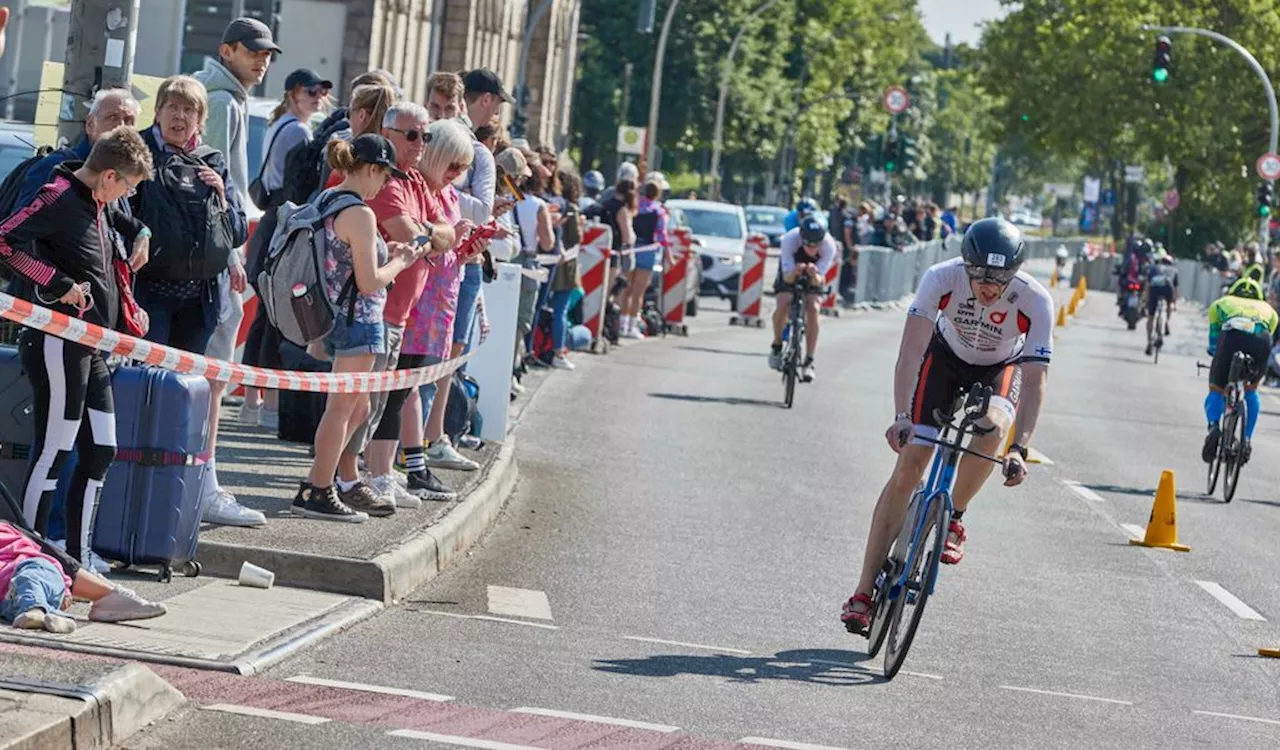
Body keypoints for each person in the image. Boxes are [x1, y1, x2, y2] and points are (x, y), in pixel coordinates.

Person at [840, 218, 1053, 634]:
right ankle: (863, 593)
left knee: (992, 428)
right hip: (943, 358)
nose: (989, 288)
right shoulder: (941, 278)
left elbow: (1035, 380)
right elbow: (910, 352)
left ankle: (954, 514)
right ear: (965, 265)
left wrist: (1020, 448)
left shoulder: (1034, 299)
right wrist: (902, 416)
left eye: (1000, 279)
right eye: (979, 276)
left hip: (999, 367)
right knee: (910, 464)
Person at [0, 128, 154, 569]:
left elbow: (106, 260)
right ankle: (30, 555)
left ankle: (78, 555)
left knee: (101, 448)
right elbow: (4, 239)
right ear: (109, 176)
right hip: (57, 340)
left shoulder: (99, 205)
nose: (128, 193)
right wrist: (57, 284)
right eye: (128, 185)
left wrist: (128, 304)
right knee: (54, 449)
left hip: (93, 345)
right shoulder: (58, 195)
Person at [131, 75, 253, 526]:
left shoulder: (212, 161)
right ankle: (134, 490)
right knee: (148, 394)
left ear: (201, 119)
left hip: (197, 302)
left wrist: (220, 194)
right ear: (159, 110)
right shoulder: (140, 151)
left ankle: (179, 496)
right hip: (149, 299)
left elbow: (237, 229)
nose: (180, 117)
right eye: (173, 107)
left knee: (188, 397)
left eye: (190, 110)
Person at [294, 135, 424, 521]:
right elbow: (369, 281)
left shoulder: (327, 199)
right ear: (370, 169)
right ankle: (317, 488)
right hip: (360, 319)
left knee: (359, 405)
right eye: (384, 176)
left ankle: (337, 480)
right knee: (343, 407)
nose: (384, 185)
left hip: (335, 315)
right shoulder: (361, 213)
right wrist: (402, 260)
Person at [194, 17, 279, 528]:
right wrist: (231, 256)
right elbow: (219, 183)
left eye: (268, 52)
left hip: (209, 250)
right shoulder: (223, 101)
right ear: (227, 50)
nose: (262, 60)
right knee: (214, 374)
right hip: (218, 249)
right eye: (253, 51)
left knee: (207, 374)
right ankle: (205, 485)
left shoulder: (222, 95)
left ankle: (199, 482)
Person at [360, 107, 462, 504]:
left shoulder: (417, 180)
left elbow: (445, 233)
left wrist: (432, 235)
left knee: (388, 396)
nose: (421, 145)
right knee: (364, 400)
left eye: (426, 137)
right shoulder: (388, 182)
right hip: (376, 306)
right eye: (413, 136)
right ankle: (362, 475)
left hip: (402, 309)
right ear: (387, 133)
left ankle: (374, 472)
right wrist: (430, 236)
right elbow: (409, 233)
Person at [241, 68, 333, 431]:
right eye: (310, 91)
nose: (317, 97)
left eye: (321, 92)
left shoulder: (278, 121)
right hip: (285, 221)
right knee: (275, 319)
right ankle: (264, 404)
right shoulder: (296, 129)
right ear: (293, 93)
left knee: (267, 316)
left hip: (272, 220)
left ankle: (253, 401)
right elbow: (297, 180)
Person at [399, 120, 480, 475]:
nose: (457, 174)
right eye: (453, 165)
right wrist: (449, 241)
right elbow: (421, 244)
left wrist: (464, 248)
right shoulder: (420, 191)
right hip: (417, 300)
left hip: (438, 300)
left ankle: (408, 460)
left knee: (416, 382)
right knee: (405, 384)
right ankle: (404, 461)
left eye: (462, 168)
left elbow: (444, 250)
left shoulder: (445, 194)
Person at [16, 89, 141, 208]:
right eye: (112, 117)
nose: (120, 126)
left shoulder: (123, 177)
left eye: (129, 120)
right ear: (90, 124)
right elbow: (23, 225)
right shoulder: (54, 168)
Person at [1202, 278, 1278, 466]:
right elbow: (1270, 336)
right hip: (1261, 339)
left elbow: (1213, 343)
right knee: (1251, 390)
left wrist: (1216, 356)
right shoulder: (1270, 311)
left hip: (1231, 336)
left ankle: (1213, 428)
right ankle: (1247, 440)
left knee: (1216, 389)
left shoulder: (1220, 304)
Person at [769, 216, 835, 382]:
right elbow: (787, 278)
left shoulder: (828, 246)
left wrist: (814, 275)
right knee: (783, 302)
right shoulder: (790, 240)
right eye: (808, 244)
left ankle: (809, 360)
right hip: (791, 269)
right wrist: (796, 272)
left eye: (816, 245)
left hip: (815, 273)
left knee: (813, 308)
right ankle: (777, 345)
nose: (812, 249)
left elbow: (820, 279)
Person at [619, 176, 670, 339]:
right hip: (648, 251)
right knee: (638, 293)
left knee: (626, 290)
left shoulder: (634, 207)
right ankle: (632, 327)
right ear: (657, 194)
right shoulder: (658, 211)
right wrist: (668, 255)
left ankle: (622, 324)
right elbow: (662, 235)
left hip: (631, 249)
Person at [551, 170, 585, 369]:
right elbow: (576, 238)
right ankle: (558, 351)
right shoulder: (571, 208)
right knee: (560, 310)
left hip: (555, 260)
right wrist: (581, 225)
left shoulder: (556, 205)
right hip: (566, 266)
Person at [1145, 249, 1178, 355]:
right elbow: (1176, 289)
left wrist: (1145, 300)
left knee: (1151, 317)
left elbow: (1147, 286)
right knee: (1169, 304)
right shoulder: (1174, 270)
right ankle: (1167, 322)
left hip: (1155, 288)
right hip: (1168, 288)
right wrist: (1174, 303)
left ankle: (1149, 340)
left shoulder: (1153, 268)